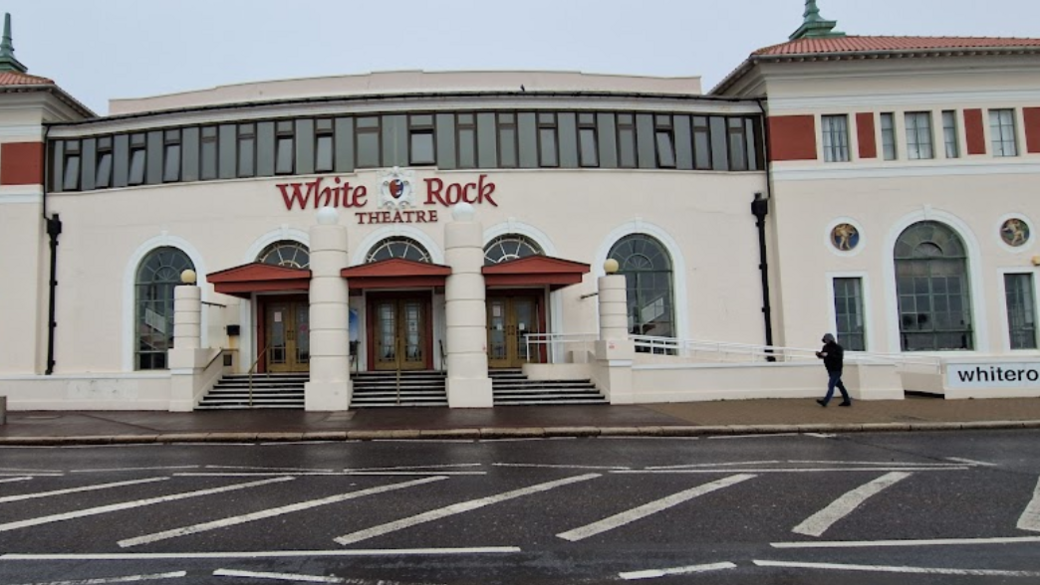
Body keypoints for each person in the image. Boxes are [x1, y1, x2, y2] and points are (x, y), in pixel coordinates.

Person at [815, 333, 851, 407]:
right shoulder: (825, 347)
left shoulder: (838, 348)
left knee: (831, 385)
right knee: (840, 386)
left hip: (837, 369)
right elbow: (823, 356)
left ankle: (825, 401)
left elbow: (838, 357)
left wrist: (828, 355)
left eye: (827, 340)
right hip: (830, 369)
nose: (826, 341)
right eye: (825, 340)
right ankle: (847, 400)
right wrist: (819, 354)